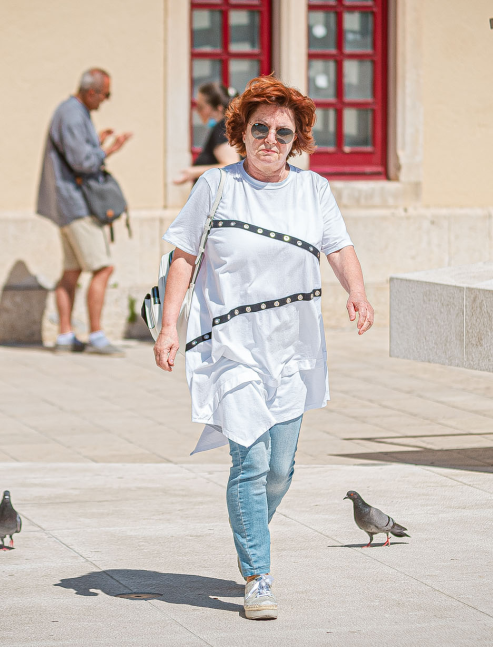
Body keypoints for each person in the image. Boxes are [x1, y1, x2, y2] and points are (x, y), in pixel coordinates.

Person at [153, 75, 373, 620]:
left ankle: (249, 525)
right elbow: (184, 255)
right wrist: (168, 325)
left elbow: (338, 246)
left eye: (282, 131)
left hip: (292, 349)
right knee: (249, 463)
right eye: (259, 127)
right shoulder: (216, 186)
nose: (270, 138)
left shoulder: (313, 189)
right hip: (233, 348)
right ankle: (258, 574)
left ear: (296, 140)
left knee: (280, 471)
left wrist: (359, 293)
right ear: (241, 132)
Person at [37, 68, 133, 355]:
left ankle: (65, 336)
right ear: (92, 92)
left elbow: (76, 152)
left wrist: (96, 141)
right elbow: (83, 162)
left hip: (65, 203)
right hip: (76, 204)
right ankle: (96, 336)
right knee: (103, 268)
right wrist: (110, 149)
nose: (105, 101)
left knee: (71, 271)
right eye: (105, 94)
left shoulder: (70, 112)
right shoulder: (72, 114)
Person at [175, 82, 241, 185]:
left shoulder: (222, 128)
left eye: (201, 107)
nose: (197, 111)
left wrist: (194, 172)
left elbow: (231, 166)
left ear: (218, 108)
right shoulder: (222, 127)